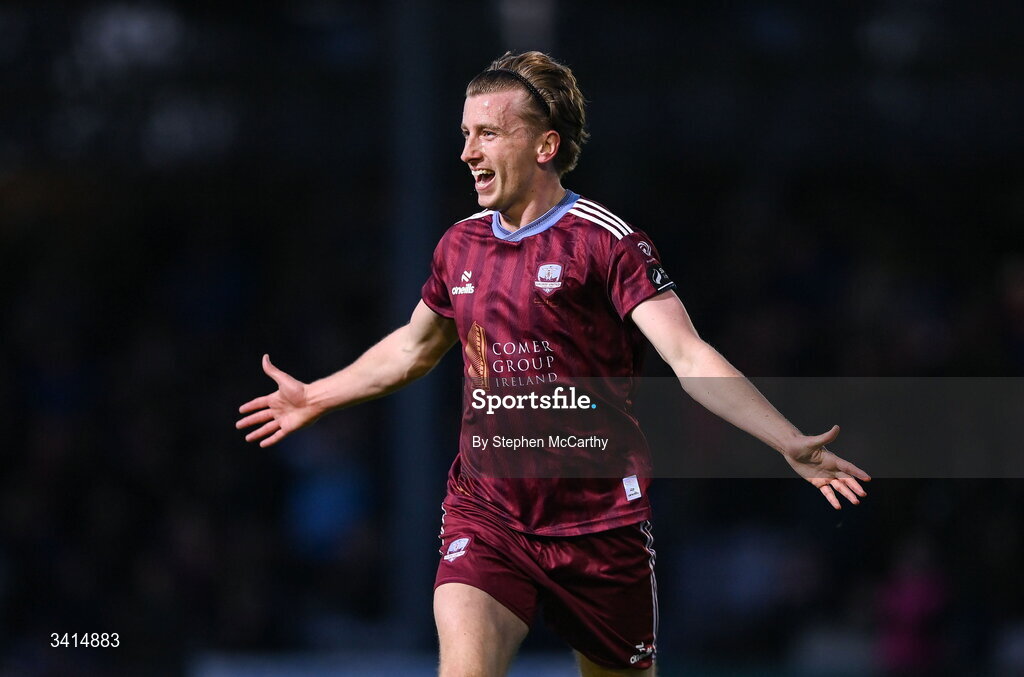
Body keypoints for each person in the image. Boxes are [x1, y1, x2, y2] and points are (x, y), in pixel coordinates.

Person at [236, 51, 870, 676]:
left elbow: (687, 353)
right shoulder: (459, 245)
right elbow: (414, 347)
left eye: (487, 133)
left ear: (544, 146)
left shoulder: (607, 243)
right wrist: (318, 395)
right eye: (464, 134)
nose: (467, 152)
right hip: (486, 515)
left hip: (599, 528)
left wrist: (786, 440)